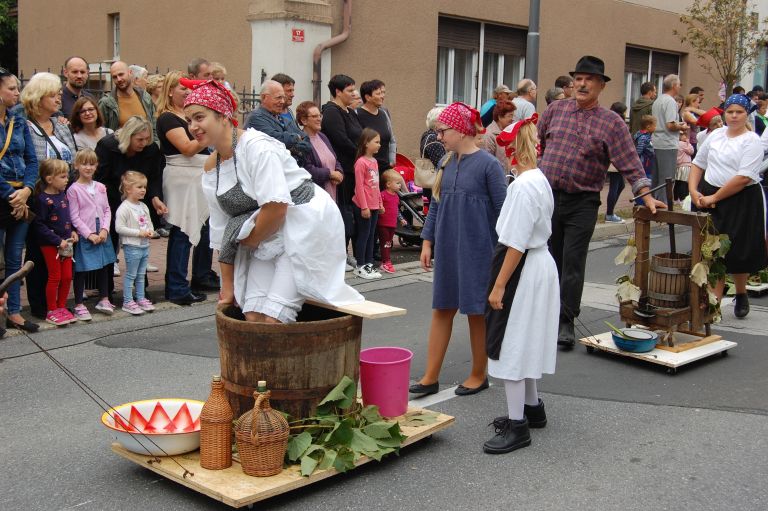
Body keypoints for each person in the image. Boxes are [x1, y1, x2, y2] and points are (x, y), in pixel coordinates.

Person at [182, 78, 362, 322]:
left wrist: (249, 243)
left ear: (223, 116)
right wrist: (228, 285)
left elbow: (276, 209)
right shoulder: (211, 168)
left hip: (305, 223)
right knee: (252, 314)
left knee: (273, 316)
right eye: (189, 120)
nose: (193, 126)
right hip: (267, 232)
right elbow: (220, 228)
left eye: (199, 117)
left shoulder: (257, 148)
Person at [538, 56, 665, 349]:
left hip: (582, 202)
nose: (582, 84)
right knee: (546, 260)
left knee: (572, 263)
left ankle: (566, 321)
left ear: (600, 85)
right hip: (549, 198)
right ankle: (544, 316)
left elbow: (631, 164)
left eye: (589, 79)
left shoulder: (612, 123)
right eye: (578, 78)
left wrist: (646, 195)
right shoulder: (555, 110)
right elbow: (542, 145)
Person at [409, 102, 507, 397]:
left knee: (476, 312)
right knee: (442, 309)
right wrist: (428, 241)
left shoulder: (489, 166)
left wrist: (504, 255)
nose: (438, 136)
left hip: (479, 251)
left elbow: (504, 212)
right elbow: (436, 206)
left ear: (462, 130)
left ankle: (479, 373)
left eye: (443, 130)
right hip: (449, 251)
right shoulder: (446, 164)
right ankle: (430, 376)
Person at [483, 113, 558, 455]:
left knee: (510, 342)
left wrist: (499, 286)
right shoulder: (539, 179)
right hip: (540, 262)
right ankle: (533, 407)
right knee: (526, 339)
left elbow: (514, 242)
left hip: (523, 267)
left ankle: (517, 426)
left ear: (511, 151)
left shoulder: (521, 186)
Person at [691, 94, 768, 318]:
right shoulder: (715, 135)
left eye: (739, 112)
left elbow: (743, 177)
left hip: (741, 199)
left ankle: (741, 293)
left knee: (737, 250)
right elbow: (698, 163)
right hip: (709, 195)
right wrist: (694, 191)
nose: (734, 116)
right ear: (724, 113)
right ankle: (713, 301)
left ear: (746, 115)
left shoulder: (751, 140)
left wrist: (714, 197)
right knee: (711, 250)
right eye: (730, 112)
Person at [155, 70, 215, 305]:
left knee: (204, 227)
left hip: (200, 175)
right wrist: (212, 133)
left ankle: (201, 276)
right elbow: (188, 149)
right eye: (183, 89)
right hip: (182, 177)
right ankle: (177, 286)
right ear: (170, 91)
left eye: (191, 89)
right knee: (182, 231)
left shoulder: (189, 117)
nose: (189, 92)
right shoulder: (167, 118)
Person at [21, 72, 77, 320]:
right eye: (53, 95)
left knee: (61, 255)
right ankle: (41, 306)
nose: (58, 99)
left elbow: (72, 157)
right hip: (38, 197)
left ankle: (59, 304)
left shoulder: (60, 124)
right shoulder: (24, 125)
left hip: (62, 195)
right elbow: (27, 163)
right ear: (39, 97)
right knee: (39, 251)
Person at [95, 116, 166, 291]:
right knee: (110, 239)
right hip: (111, 198)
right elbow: (101, 178)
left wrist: (155, 196)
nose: (144, 143)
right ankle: (106, 289)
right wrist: (121, 198)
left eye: (147, 138)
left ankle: (141, 287)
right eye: (139, 139)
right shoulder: (108, 146)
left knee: (138, 240)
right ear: (128, 136)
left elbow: (155, 176)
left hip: (139, 200)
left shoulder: (151, 150)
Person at [0, 67, 40, 333]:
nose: (17, 92)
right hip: (4, 194)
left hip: (21, 197)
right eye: (12, 88)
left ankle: (13, 312)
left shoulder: (19, 121)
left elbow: (32, 160)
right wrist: (10, 194)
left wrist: (26, 190)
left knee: (15, 259)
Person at [67, 149, 117, 319]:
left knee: (104, 265)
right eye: (84, 164)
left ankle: (104, 298)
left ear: (96, 166)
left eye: (91, 164)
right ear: (76, 166)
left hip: (102, 230)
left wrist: (105, 229)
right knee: (81, 267)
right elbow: (74, 216)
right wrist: (88, 234)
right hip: (85, 232)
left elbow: (107, 209)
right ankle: (79, 303)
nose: (88, 167)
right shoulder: (73, 190)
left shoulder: (101, 187)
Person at [321, 74, 363, 265]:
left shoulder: (349, 112)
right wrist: (361, 153)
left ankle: (347, 253)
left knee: (351, 212)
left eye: (354, 89)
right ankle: (340, 254)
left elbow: (358, 136)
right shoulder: (331, 112)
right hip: (342, 170)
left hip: (354, 168)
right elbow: (341, 140)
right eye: (349, 90)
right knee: (342, 211)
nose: (354, 94)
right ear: (337, 92)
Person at [32, 159, 77, 326]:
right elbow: (39, 225)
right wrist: (57, 240)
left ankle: (62, 306)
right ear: (49, 179)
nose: (67, 179)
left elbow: (67, 217)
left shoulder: (62, 195)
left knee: (67, 276)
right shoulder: (43, 200)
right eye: (63, 176)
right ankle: (52, 310)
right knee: (55, 276)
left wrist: (73, 230)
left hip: (67, 242)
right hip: (51, 245)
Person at [115, 171, 156, 315]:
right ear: (128, 189)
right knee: (131, 275)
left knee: (140, 274)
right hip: (132, 246)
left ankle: (140, 298)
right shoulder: (124, 208)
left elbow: (149, 222)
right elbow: (119, 228)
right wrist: (139, 233)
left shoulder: (143, 206)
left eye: (144, 187)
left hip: (144, 245)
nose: (143, 190)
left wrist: (150, 231)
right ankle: (127, 301)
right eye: (139, 187)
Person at [246, 80, 312, 167]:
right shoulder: (256, 118)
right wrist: (296, 137)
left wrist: (291, 147)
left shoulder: (285, 120)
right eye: (278, 97)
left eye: (283, 98)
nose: (282, 101)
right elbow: (276, 139)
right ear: (264, 97)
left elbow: (307, 141)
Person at [352, 128, 384, 279]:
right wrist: (364, 207)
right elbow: (359, 187)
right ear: (366, 143)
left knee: (372, 236)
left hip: (374, 206)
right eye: (376, 142)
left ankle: (369, 264)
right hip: (363, 206)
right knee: (364, 235)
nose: (379, 145)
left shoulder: (374, 162)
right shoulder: (361, 163)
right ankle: (360, 265)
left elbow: (376, 185)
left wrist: (380, 203)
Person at [295, 100, 344, 200]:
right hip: (316, 195)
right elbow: (307, 169)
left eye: (319, 116)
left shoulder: (322, 137)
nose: (319, 119)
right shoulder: (301, 141)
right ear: (304, 120)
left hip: (332, 191)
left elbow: (335, 159)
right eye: (314, 116)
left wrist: (339, 172)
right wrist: (330, 174)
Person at [652, 75, 689, 202]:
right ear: (674, 86)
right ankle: (663, 205)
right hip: (667, 143)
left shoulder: (658, 100)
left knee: (657, 178)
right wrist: (682, 126)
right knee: (667, 179)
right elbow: (670, 125)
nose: (680, 87)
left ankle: (654, 203)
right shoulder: (670, 101)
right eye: (679, 84)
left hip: (657, 141)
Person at [99, 61, 157, 137]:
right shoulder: (106, 103)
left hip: (147, 147)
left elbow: (154, 127)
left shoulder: (145, 97)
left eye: (121, 74)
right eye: (115, 77)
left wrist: (155, 145)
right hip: (119, 147)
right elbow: (100, 132)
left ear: (130, 73)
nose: (119, 79)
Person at [356, 79, 396, 172]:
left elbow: (392, 139)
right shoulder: (357, 114)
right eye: (378, 94)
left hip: (385, 167)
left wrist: (392, 160)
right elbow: (357, 143)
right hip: (367, 169)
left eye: (383, 93)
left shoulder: (384, 113)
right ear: (368, 97)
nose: (382, 96)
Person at [377, 169, 407, 274]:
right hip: (383, 224)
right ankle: (386, 261)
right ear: (389, 184)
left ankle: (385, 261)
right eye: (397, 183)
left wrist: (401, 219)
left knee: (389, 243)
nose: (400, 185)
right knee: (385, 243)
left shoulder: (396, 196)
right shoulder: (383, 194)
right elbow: (378, 207)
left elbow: (396, 209)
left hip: (392, 224)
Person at [418, 106, 446, 209]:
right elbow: (442, 163)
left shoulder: (427, 135)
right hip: (436, 185)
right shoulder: (434, 138)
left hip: (430, 186)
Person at [605, 102, 628, 223]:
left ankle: (610, 212)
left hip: (614, 159)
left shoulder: (609, 120)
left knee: (620, 185)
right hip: (616, 159)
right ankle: (609, 214)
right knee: (615, 186)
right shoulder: (619, 123)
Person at [483, 100, 516, 173]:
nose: (512, 119)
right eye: (509, 116)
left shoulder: (508, 131)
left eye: (512, 115)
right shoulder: (489, 135)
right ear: (500, 117)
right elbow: (487, 163)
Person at [633, 115, 656, 206]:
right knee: (644, 182)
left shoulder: (646, 136)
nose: (656, 127)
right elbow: (639, 150)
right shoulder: (643, 138)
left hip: (648, 163)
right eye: (655, 125)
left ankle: (644, 201)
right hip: (644, 164)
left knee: (648, 181)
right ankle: (641, 202)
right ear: (648, 126)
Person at [675, 130, 694, 201]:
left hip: (678, 166)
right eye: (684, 135)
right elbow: (691, 151)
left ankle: (676, 198)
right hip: (685, 165)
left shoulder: (676, 143)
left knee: (677, 182)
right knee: (684, 182)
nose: (686, 137)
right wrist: (688, 143)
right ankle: (683, 198)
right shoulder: (684, 144)